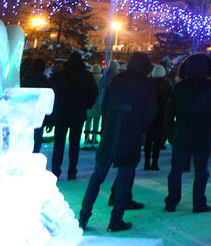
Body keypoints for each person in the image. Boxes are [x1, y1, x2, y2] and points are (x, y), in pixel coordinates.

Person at [78, 53, 156, 233]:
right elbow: (150, 112)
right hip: (131, 133)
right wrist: (141, 128)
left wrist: (109, 122)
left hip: (111, 132)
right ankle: (116, 220)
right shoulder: (147, 84)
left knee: (97, 176)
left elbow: (105, 104)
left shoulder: (118, 80)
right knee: (124, 179)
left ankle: (83, 217)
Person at [161, 52, 211, 213]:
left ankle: (172, 201)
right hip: (203, 134)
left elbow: (169, 111)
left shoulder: (180, 87)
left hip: (181, 133)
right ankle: (198, 201)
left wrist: (170, 133)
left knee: (176, 170)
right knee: (201, 171)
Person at [49, 52, 98, 179]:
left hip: (62, 112)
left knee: (59, 143)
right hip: (78, 112)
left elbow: (51, 91)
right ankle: (72, 171)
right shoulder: (86, 76)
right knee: (74, 144)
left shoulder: (59, 76)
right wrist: (87, 104)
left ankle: (55, 170)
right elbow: (94, 91)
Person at [143, 65, 172, 171]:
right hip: (161, 115)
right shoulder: (167, 84)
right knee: (157, 140)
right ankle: (155, 162)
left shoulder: (148, 84)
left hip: (149, 114)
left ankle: (146, 162)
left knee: (148, 140)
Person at [20, 58, 49, 153]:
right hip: (38, 115)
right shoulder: (46, 82)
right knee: (37, 138)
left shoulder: (23, 79)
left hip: (23, 113)